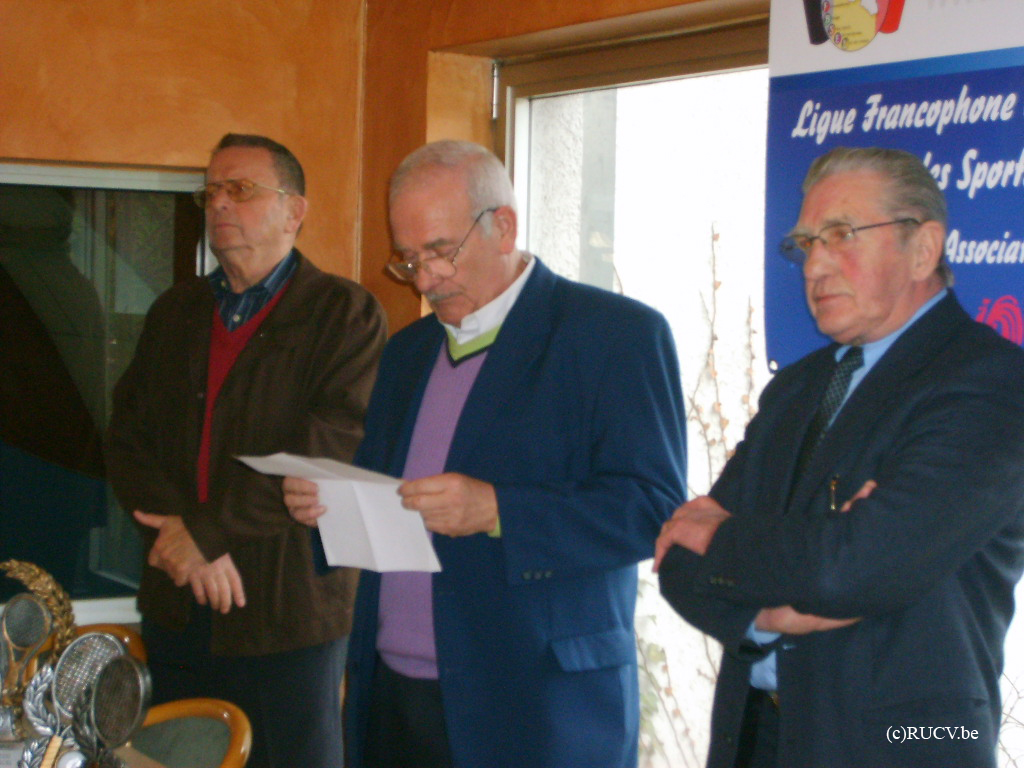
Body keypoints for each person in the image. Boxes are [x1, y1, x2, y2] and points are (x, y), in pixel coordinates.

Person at [284, 139, 686, 768]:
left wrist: (499, 510)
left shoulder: (615, 335)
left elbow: (651, 510)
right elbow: (394, 504)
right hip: (393, 696)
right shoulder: (408, 351)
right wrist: (331, 506)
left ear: (504, 227)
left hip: (536, 704)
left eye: (441, 251)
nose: (425, 280)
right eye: (408, 260)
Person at [656, 146, 1024, 768]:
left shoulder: (991, 383)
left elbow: (852, 567)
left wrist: (722, 539)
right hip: (756, 738)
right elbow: (677, 562)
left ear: (923, 249)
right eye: (806, 244)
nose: (815, 265)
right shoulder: (797, 387)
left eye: (841, 235)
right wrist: (769, 617)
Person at [106, 133, 386, 768]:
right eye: (210, 192)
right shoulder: (175, 310)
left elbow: (326, 450)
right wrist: (182, 540)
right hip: (179, 600)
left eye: (241, 190)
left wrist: (205, 534)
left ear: (295, 211)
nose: (219, 204)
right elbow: (127, 440)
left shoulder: (345, 314)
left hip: (287, 614)